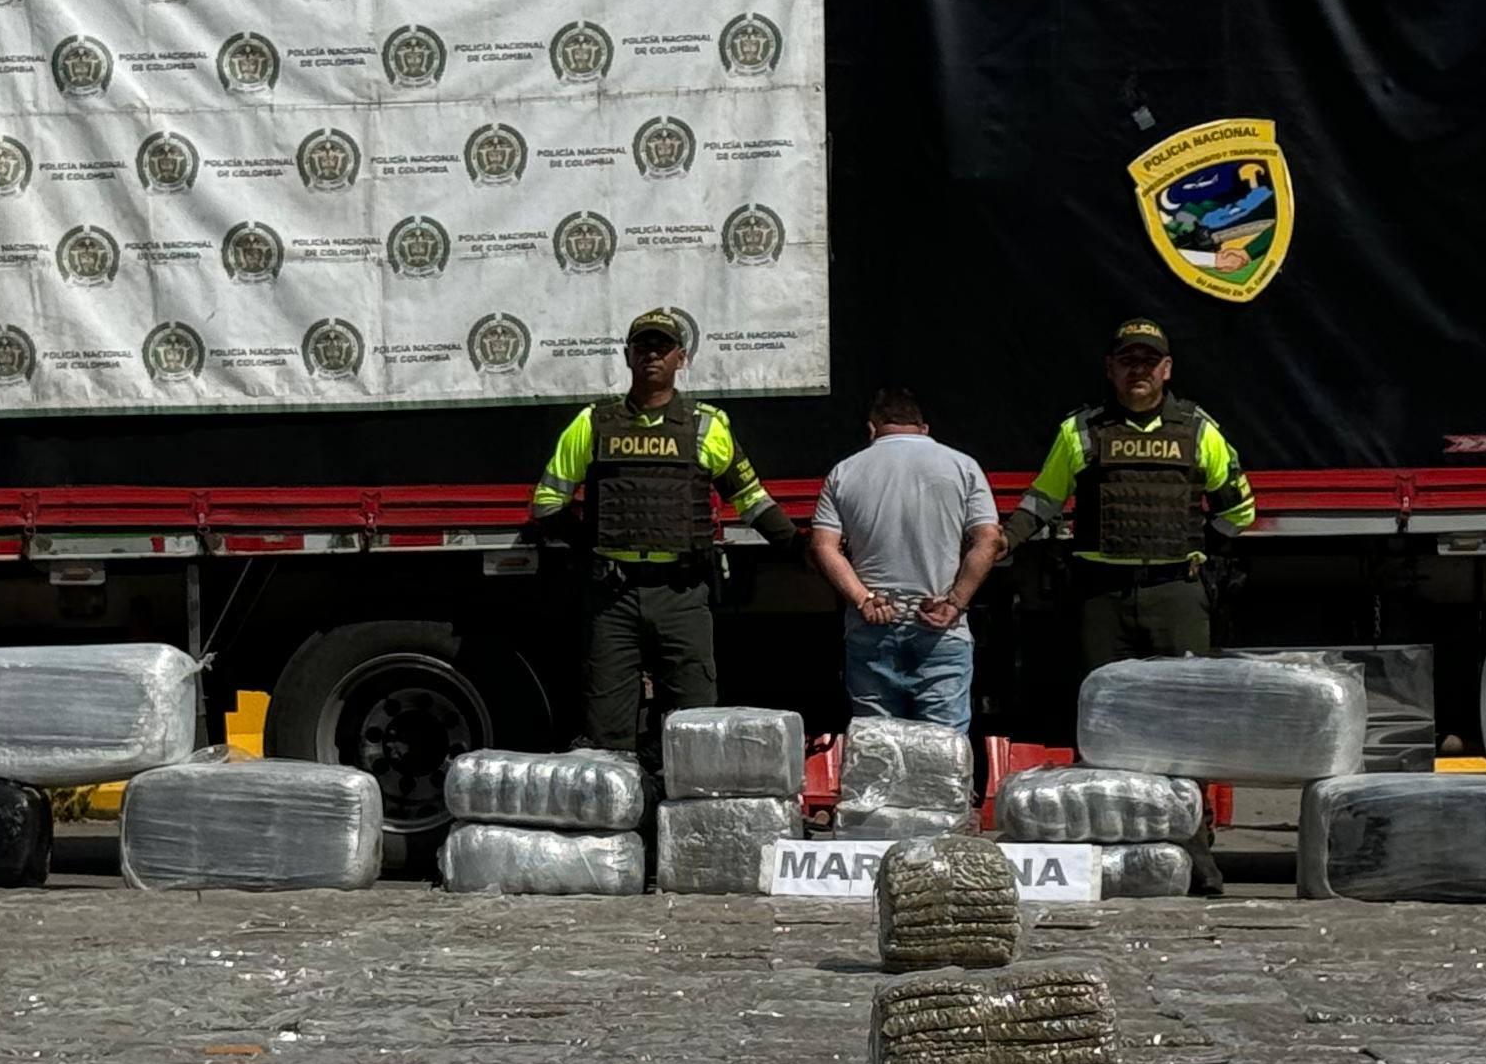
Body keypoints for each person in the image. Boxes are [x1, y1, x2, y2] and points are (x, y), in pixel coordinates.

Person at [996, 315, 1258, 889]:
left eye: (1149, 361)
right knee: (1104, 730)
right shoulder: (1081, 432)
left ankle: (1197, 855)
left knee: (1185, 732)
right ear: (1111, 369)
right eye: (1127, 361)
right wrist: (1004, 539)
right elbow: (1043, 498)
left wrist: (1195, 552)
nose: (1138, 371)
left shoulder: (1200, 430)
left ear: (1166, 370)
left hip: (1175, 595)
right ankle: (1111, 859)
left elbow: (1240, 510)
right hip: (1102, 599)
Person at [526, 310, 796, 765]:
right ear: (628, 356)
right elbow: (547, 504)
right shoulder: (593, 423)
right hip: (614, 598)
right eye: (643, 347)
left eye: (663, 347)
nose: (652, 355)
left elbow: (750, 498)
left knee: (696, 731)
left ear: (681, 358)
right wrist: (592, 543)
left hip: (682, 596)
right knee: (606, 736)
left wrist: (799, 548)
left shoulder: (707, 426)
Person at [807, 388, 1001, 726]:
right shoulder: (963, 466)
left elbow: (823, 546)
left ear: (872, 429)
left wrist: (863, 598)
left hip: (872, 624)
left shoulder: (843, 472)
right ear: (923, 428)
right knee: (944, 750)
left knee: (879, 750)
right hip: (942, 627)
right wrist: (955, 602)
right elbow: (988, 541)